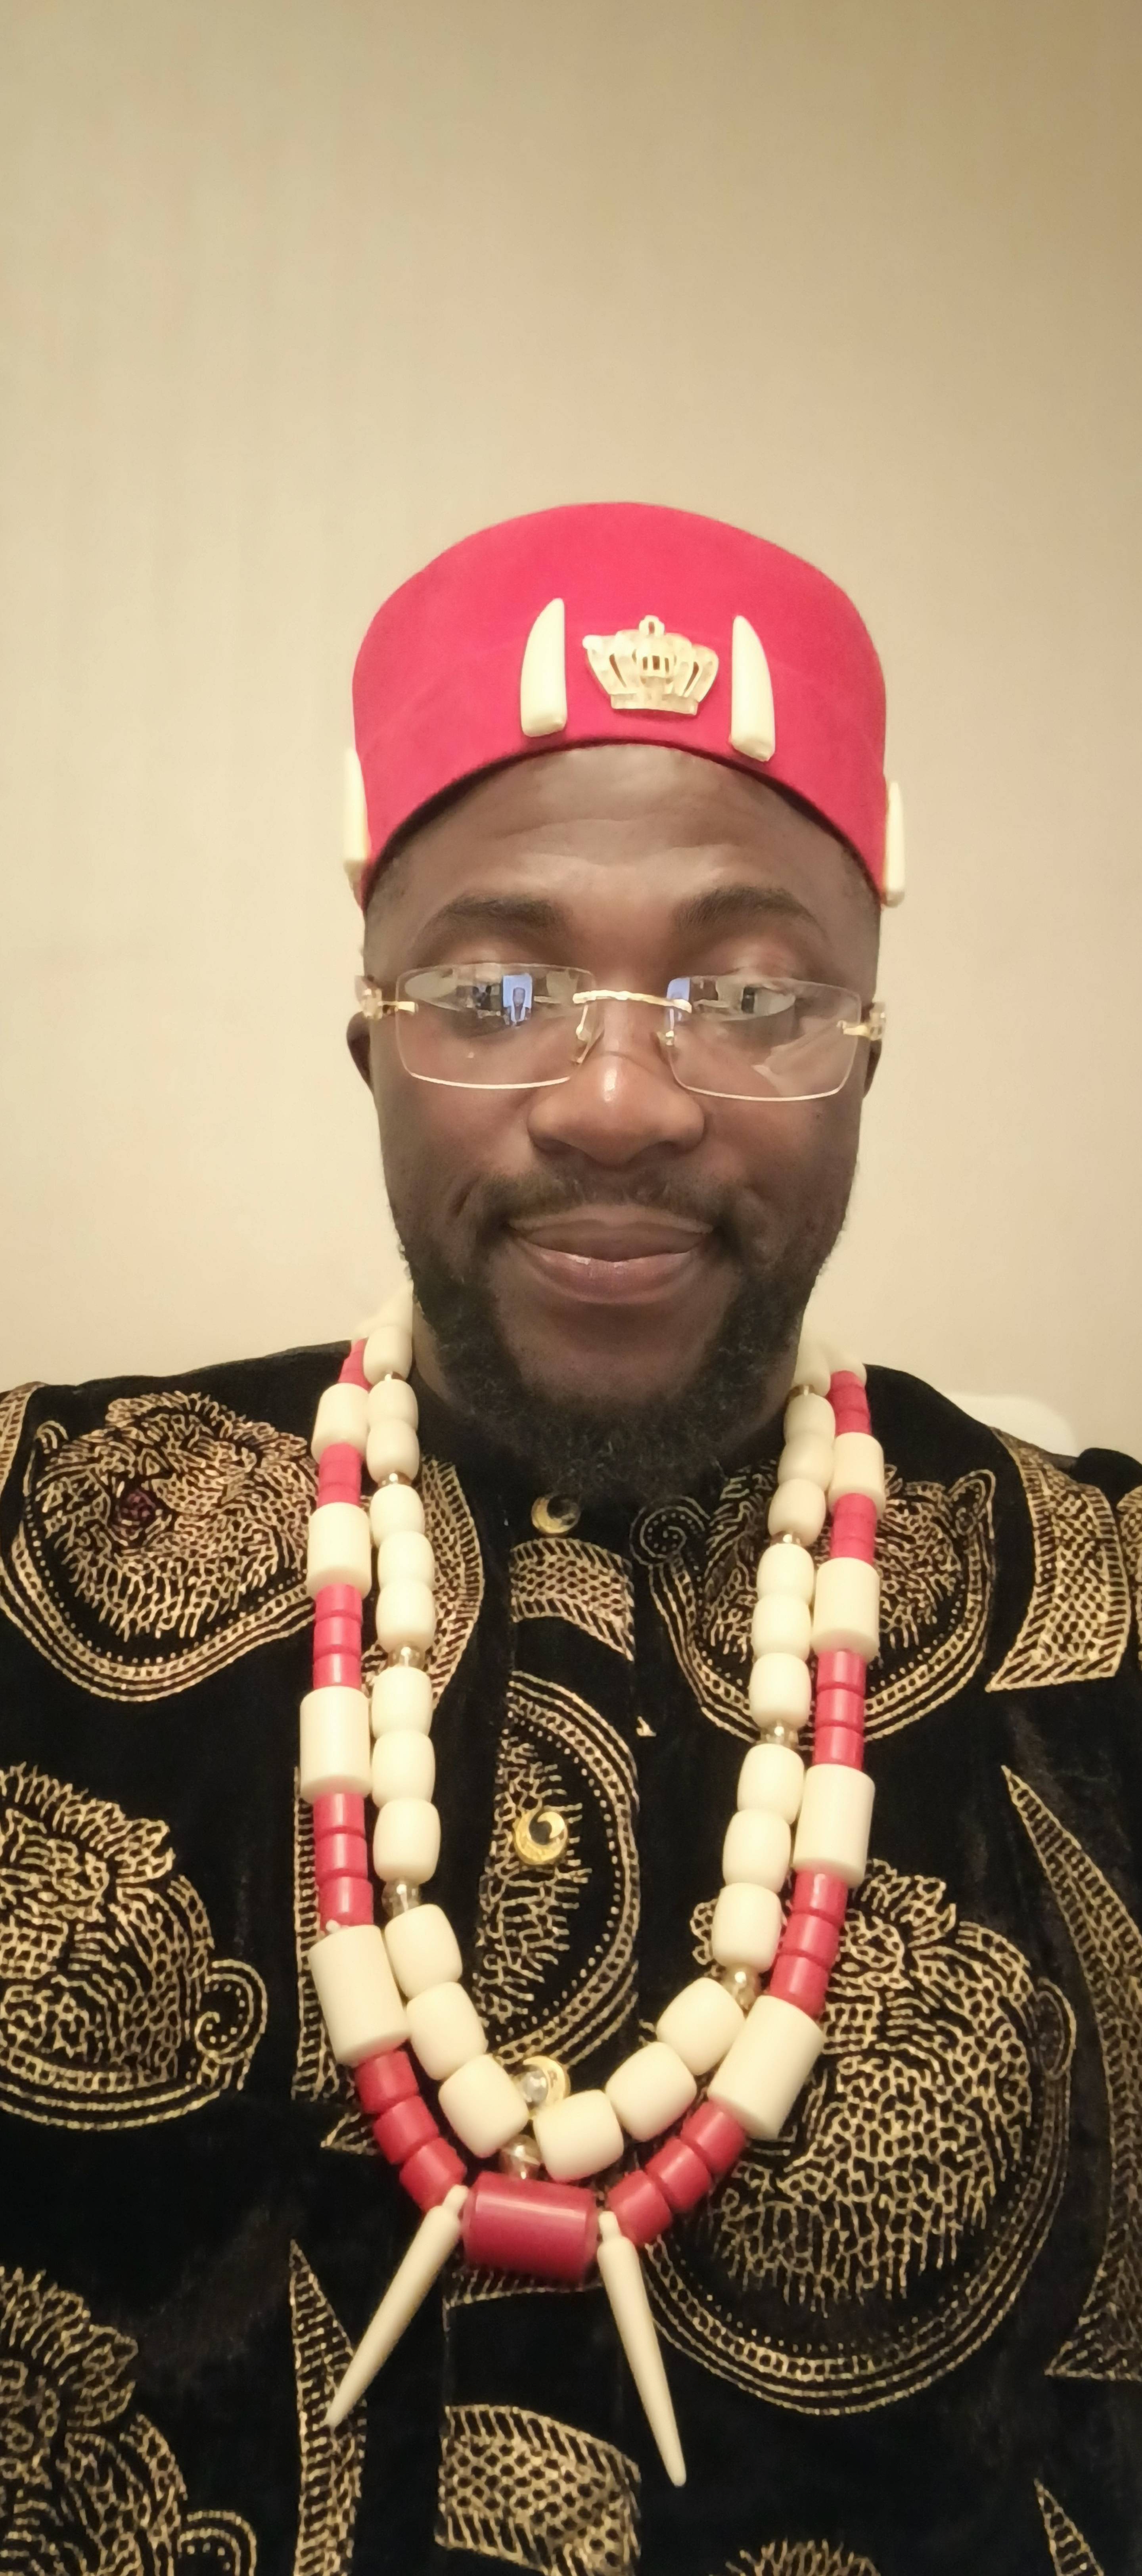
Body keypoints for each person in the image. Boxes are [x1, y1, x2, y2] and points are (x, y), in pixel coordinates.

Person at [1, 503, 1139, 2576]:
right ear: (369, 1030)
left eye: (754, 992)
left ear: (872, 1047)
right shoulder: (26, 1545)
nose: (619, 1101)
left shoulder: (1117, 1623)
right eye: (500, 983)